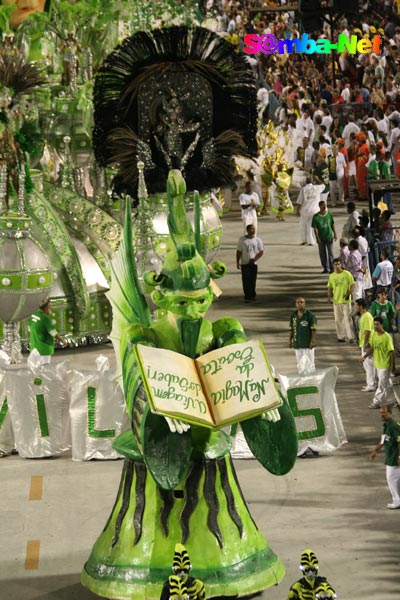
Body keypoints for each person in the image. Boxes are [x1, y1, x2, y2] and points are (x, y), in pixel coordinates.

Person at [360, 316, 399, 409]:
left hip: (385, 365)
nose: (375, 326)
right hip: (377, 363)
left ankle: (376, 401)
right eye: (374, 324)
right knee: (387, 383)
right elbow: (372, 347)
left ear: (382, 325)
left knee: (381, 384)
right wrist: (364, 357)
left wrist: (393, 366)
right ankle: (392, 401)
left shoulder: (387, 337)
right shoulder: (374, 335)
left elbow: (391, 352)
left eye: (377, 324)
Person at [369, 405, 400, 509]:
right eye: (381, 413)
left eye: (384, 412)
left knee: (391, 479)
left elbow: (399, 441)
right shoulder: (386, 425)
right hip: (391, 457)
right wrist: (375, 451)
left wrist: (399, 456)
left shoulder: (393, 426)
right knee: (395, 479)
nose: (382, 414)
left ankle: (397, 501)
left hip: (394, 458)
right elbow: (383, 440)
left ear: (390, 413)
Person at [28, 299, 68, 364]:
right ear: (46, 308)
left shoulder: (33, 315)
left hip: (34, 348)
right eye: (50, 307)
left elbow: (30, 327)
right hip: (44, 349)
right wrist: (62, 341)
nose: (51, 309)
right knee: (44, 370)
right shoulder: (46, 319)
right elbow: (53, 333)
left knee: (36, 370)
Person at [327, 258, 355, 343]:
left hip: (346, 301)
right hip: (336, 301)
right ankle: (341, 336)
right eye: (335, 264)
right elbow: (330, 287)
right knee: (338, 319)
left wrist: (348, 294)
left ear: (341, 264)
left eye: (339, 264)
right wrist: (329, 297)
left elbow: (352, 284)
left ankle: (350, 337)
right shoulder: (332, 276)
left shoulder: (347, 274)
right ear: (333, 265)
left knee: (347, 319)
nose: (337, 266)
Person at [288, 297, 317, 373]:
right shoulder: (293, 315)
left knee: (310, 363)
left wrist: (312, 341)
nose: (300, 304)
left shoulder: (310, 315)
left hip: (307, 344)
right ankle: (302, 379)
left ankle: (312, 379)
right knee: (300, 363)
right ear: (296, 304)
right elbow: (291, 329)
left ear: (305, 304)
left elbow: (313, 329)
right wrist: (289, 340)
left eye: (301, 302)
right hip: (297, 343)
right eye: (298, 302)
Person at [236, 224, 264, 303]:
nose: (253, 230)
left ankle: (252, 295)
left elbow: (261, 252)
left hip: (253, 264)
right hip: (245, 263)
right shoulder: (242, 240)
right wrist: (237, 262)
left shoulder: (258, 240)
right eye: (251, 229)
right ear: (247, 230)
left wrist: (255, 259)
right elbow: (239, 251)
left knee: (253, 280)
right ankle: (247, 296)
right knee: (245, 280)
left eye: (254, 229)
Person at [296, 178, 325, 246]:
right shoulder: (317, 188)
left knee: (303, 225)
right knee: (310, 226)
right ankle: (311, 241)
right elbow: (323, 184)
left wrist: (298, 210)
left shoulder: (303, 189)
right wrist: (317, 179)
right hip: (314, 210)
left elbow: (300, 201)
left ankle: (304, 240)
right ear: (313, 182)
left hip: (305, 210)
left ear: (306, 182)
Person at [356, 298, 376, 392]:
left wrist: (365, 344)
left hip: (368, 344)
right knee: (367, 365)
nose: (355, 307)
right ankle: (370, 383)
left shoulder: (367, 316)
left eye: (356, 305)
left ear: (360, 306)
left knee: (369, 365)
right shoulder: (364, 316)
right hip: (364, 343)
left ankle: (371, 385)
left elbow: (368, 331)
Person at [312, 200, 337, 274]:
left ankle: (332, 269)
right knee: (322, 254)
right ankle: (326, 268)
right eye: (322, 206)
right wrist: (317, 238)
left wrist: (335, 233)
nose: (324, 207)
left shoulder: (329, 214)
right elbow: (315, 228)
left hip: (329, 236)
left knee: (331, 253)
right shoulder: (316, 217)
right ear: (319, 206)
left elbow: (332, 224)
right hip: (321, 238)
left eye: (325, 205)